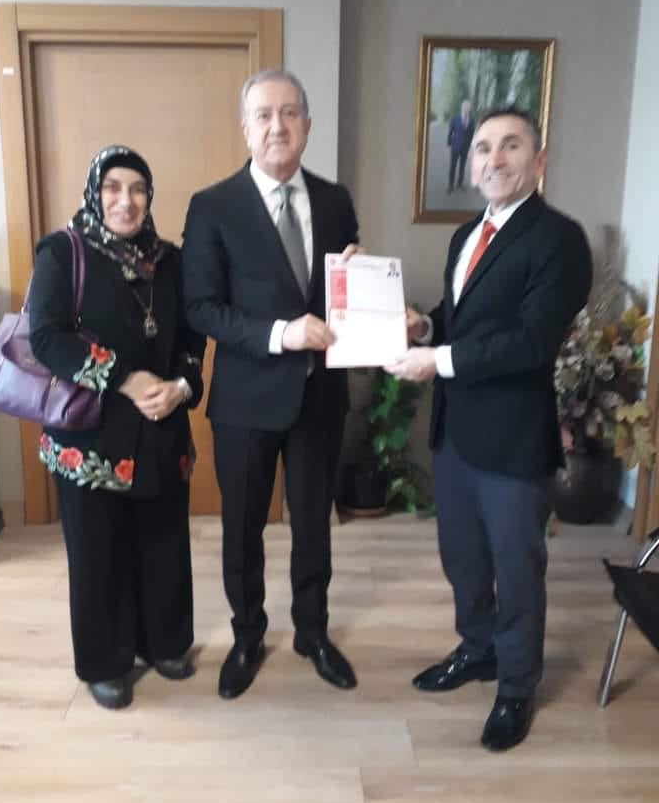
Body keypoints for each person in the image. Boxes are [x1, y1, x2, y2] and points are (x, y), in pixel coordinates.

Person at [385, 107, 592, 751]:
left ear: (539, 159)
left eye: (510, 146)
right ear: (471, 164)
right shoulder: (467, 234)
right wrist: (426, 327)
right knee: (463, 559)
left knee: (516, 567)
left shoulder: (559, 239)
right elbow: (460, 317)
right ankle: (477, 650)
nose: (494, 159)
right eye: (482, 149)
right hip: (455, 432)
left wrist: (437, 359)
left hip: (511, 438)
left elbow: (531, 341)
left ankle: (517, 685)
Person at [182, 69, 360, 699]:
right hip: (246, 399)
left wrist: (363, 293)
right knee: (242, 530)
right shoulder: (213, 206)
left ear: (307, 125)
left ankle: (313, 633)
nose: (277, 126)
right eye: (263, 115)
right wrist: (284, 333)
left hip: (319, 397)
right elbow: (201, 308)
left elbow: (343, 292)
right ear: (246, 128)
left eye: (289, 113)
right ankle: (247, 636)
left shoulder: (336, 200)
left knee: (313, 524)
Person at [29, 145, 205, 710]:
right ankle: (106, 662)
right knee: (98, 551)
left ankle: (165, 643)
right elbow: (46, 337)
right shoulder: (63, 252)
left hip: (162, 427)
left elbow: (192, 340)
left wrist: (181, 387)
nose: (125, 200)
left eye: (137, 189)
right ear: (94, 193)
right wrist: (125, 379)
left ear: (149, 198)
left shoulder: (171, 261)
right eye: (112, 188)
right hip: (91, 435)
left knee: (164, 542)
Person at [447, 99, 475, 193]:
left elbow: (471, 134)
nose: (467, 108)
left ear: (470, 109)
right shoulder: (455, 119)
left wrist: (470, 146)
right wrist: (449, 144)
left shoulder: (471, 120)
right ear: (462, 107)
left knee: (462, 166)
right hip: (455, 146)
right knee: (453, 166)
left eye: (468, 107)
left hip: (465, 147)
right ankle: (450, 185)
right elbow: (450, 132)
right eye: (465, 106)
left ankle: (460, 183)